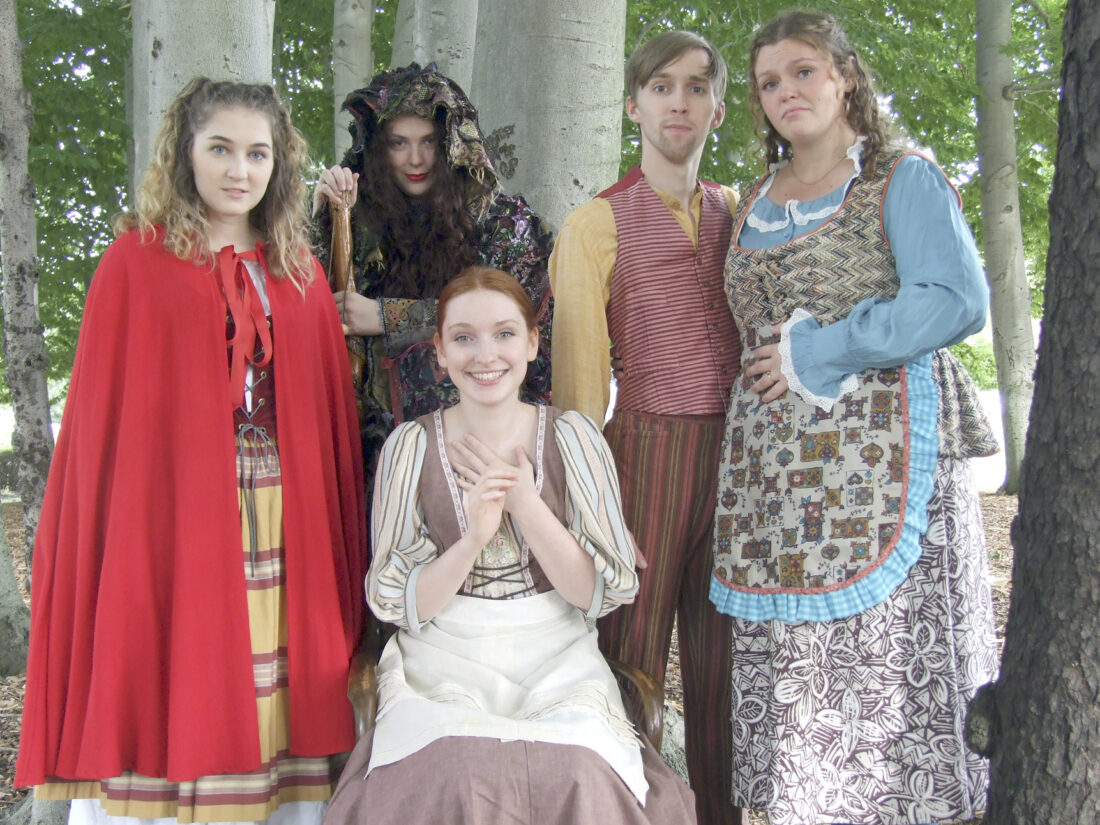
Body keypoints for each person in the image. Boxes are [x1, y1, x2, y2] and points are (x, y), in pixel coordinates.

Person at [15, 78, 366, 825]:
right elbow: (109, 425)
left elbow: (324, 417)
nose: (240, 170)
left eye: (258, 153)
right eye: (221, 149)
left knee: (272, 675)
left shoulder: (297, 272)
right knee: (177, 656)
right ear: (186, 153)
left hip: (282, 513)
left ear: (279, 164)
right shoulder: (134, 264)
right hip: (169, 512)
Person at [709, 10, 1000, 825]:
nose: (787, 91)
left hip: (887, 459)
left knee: (888, 661)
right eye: (769, 81)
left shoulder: (901, 178)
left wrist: (819, 349)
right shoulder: (753, 199)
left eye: (804, 70)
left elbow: (954, 300)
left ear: (844, 76)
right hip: (775, 481)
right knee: (801, 671)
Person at [322, 266, 697, 824]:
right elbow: (402, 606)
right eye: (464, 337)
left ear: (532, 343)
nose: (485, 355)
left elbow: (595, 595)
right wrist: (472, 539)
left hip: (558, 654)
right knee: (454, 768)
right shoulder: (411, 446)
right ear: (440, 352)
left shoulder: (574, 439)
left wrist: (526, 504)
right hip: (442, 656)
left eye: (504, 333)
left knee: (576, 770)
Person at [549, 30, 744, 825]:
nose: (679, 103)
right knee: (628, 663)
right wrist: (594, 508)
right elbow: (577, 391)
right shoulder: (596, 224)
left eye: (697, 87)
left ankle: (721, 814)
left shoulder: (738, 211)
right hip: (643, 454)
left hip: (739, 460)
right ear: (634, 105)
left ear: (719, 109)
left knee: (727, 668)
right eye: (662, 87)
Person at [311, 62, 553, 489]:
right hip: (379, 447)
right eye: (399, 143)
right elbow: (303, 296)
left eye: (428, 142)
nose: (416, 159)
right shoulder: (360, 221)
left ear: (453, 144)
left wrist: (386, 316)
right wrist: (323, 212)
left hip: (482, 431)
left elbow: (514, 315)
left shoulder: (500, 220)